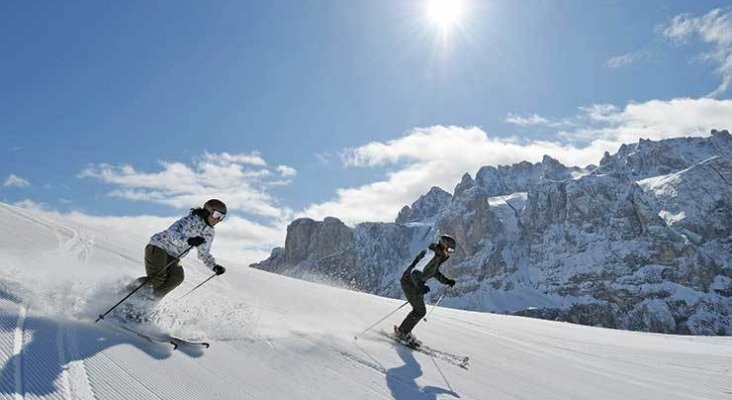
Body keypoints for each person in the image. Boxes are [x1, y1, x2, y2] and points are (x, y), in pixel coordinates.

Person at [119, 199, 228, 321]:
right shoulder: (191, 219)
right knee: (157, 279)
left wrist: (214, 266)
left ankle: (142, 308)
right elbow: (172, 233)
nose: (218, 220)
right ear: (208, 211)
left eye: (222, 217)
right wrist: (188, 240)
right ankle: (122, 296)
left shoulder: (209, 233)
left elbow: (204, 253)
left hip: (174, 255)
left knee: (176, 278)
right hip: (160, 246)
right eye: (217, 215)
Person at [395, 234, 457, 345]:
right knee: (420, 311)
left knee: (419, 310)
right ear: (443, 246)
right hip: (409, 283)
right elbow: (415, 272)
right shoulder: (431, 254)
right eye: (450, 249)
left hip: (414, 284)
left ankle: (403, 331)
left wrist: (446, 281)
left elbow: (434, 272)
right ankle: (402, 332)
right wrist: (420, 285)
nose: (450, 252)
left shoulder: (438, 257)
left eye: (453, 250)